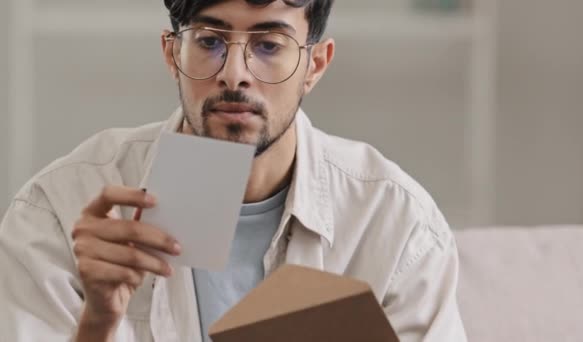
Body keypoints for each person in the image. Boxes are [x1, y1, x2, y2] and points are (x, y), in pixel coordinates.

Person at [0, 0, 468, 341]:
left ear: (315, 64)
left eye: (268, 45)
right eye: (209, 42)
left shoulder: (395, 223)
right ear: (172, 55)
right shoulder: (57, 209)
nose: (234, 73)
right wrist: (98, 325)